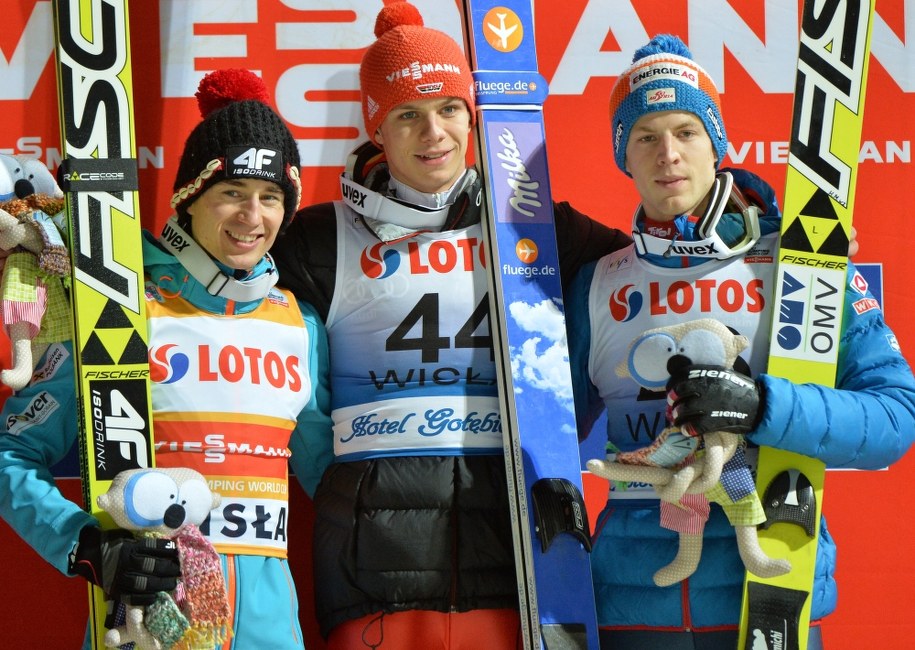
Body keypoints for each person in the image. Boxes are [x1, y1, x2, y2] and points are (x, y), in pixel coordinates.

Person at [270, 1, 631, 648]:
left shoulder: (538, 229)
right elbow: (222, 292)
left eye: (448, 109)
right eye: (407, 114)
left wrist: (771, 250)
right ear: (375, 127)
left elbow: (665, 273)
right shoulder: (316, 240)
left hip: (519, 570)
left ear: (473, 115)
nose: (432, 132)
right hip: (373, 575)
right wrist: (337, 484)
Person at [566, 34, 915, 649]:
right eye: (645, 136)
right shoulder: (598, 283)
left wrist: (763, 406)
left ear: (717, 142)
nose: (667, 154)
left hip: (771, 586)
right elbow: (543, 434)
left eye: (686, 131)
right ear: (625, 155)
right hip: (631, 603)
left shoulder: (799, 267)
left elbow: (893, 417)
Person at [0, 68, 333, 649]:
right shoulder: (120, 308)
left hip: (269, 630)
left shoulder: (297, 324)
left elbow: (330, 476)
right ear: (189, 198)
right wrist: (82, 544)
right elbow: (12, 451)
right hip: (147, 624)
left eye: (271, 197)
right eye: (231, 193)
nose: (252, 217)